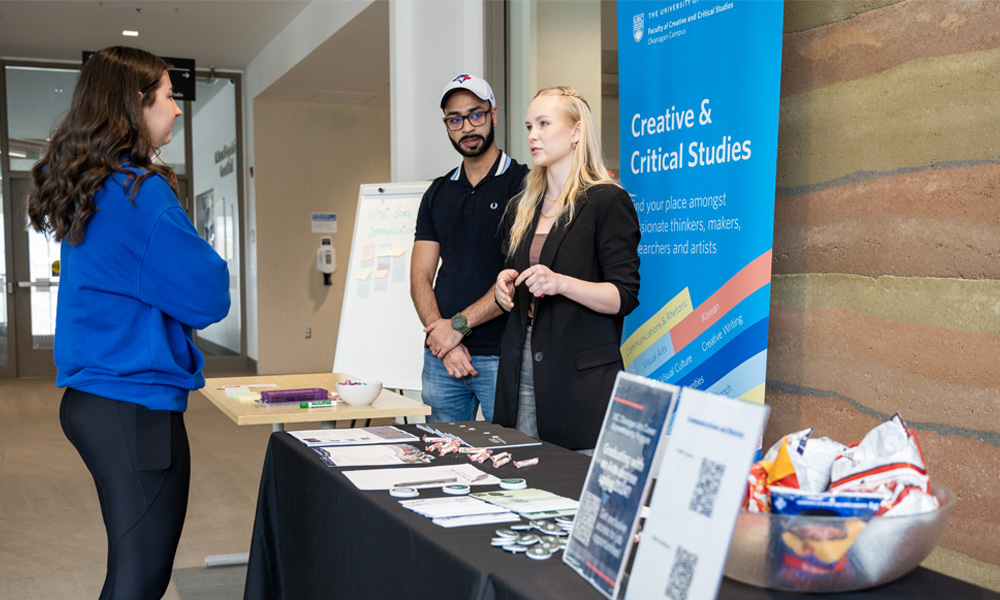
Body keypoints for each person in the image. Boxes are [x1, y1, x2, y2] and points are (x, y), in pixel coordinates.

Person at [26, 46, 230, 599]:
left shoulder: (91, 186)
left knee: (133, 571)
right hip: (133, 406)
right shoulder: (138, 191)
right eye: (167, 96)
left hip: (96, 399)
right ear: (135, 105)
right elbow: (209, 294)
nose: (178, 109)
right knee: (139, 579)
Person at [493, 87, 641, 451]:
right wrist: (503, 284)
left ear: (576, 132)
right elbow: (518, 276)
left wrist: (560, 283)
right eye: (529, 126)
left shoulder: (607, 200)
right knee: (522, 485)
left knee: (571, 491)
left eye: (544, 123)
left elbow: (622, 296)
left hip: (580, 383)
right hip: (520, 368)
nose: (532, 135)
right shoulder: (522, 207)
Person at [410, 74, 529, 423]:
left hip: (500, 355)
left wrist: (455, 328)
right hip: (441, 359)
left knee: (509, 460)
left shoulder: (524, 185)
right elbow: (420, 275)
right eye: (455, 119)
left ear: (494, 114)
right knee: (444, 460)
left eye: (476, 114)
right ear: (447, 125)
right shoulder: (438, 192)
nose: (467, 127)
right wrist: (443, 340)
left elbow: (516, 276)